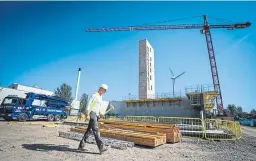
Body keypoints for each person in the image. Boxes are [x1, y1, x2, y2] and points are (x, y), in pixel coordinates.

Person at [78, 84, 108, 154]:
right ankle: (101, 147)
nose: (105, 92)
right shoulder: (94, 95)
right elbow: (88, 104)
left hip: (96, 115)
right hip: (92, 113)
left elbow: (98, 107)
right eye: (104, 90)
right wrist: (87, 114)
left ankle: (81, 146)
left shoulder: (100, 97)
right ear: (101, 88)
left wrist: (101, 114)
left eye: (106, 91)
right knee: (96, 130)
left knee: (89, 130)